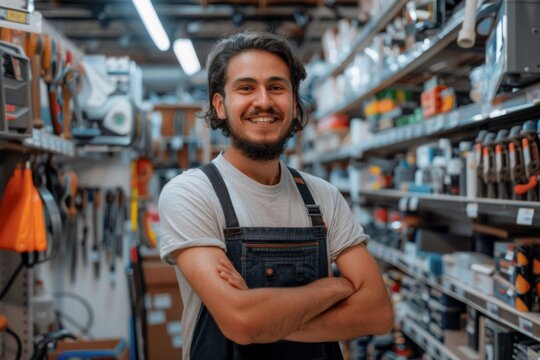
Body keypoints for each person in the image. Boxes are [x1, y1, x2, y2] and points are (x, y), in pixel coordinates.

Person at [158, 30, 393, 360]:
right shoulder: (191, 194)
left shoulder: (323, 197)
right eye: (246, 87)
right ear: (220, 105)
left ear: (295, 104)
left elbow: (378, 313)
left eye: (277, 87)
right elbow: (241, 322)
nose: (264, 101)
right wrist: (334, 287)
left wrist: (263, 320)